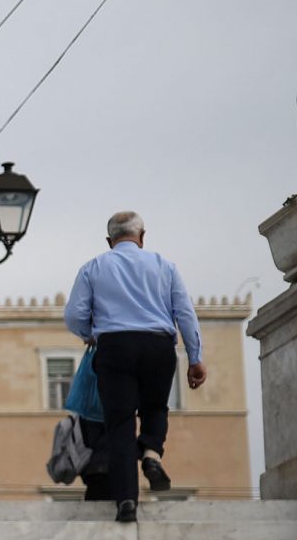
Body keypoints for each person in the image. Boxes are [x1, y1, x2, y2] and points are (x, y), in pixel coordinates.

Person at [64, 210, 207, 524]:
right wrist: (195, 358)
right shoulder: (165, 266)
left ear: (109, 240)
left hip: (114, 346)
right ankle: (153, 453)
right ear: (142, 236)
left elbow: (74, 316)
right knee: (155, 407)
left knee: (120, 426)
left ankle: (127, 501)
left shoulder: (93, 267)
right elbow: (185, 313)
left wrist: (91, 335)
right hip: (158, 345)